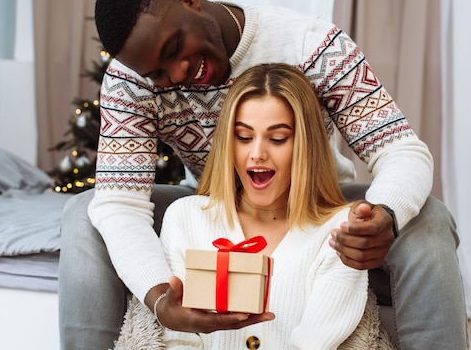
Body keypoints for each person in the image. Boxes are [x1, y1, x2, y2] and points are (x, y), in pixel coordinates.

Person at [58, 0, 468, 350]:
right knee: (83, 213)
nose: (178, 72)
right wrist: (161, 296)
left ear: (189, 0)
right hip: (212, 199)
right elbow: (119, 205)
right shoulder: (129, 80)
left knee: (428, 219)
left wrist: (385, 214)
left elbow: (401, 150)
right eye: (159, 74)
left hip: (317, 201)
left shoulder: (313, 45)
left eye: (175, 48)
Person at [154, 63, 392, 349]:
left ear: (305, 146)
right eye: (243, 137)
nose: (257, 154)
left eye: (277, 139)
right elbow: (178, 339)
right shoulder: (186, 217)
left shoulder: (341, 233)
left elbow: (313, 343)